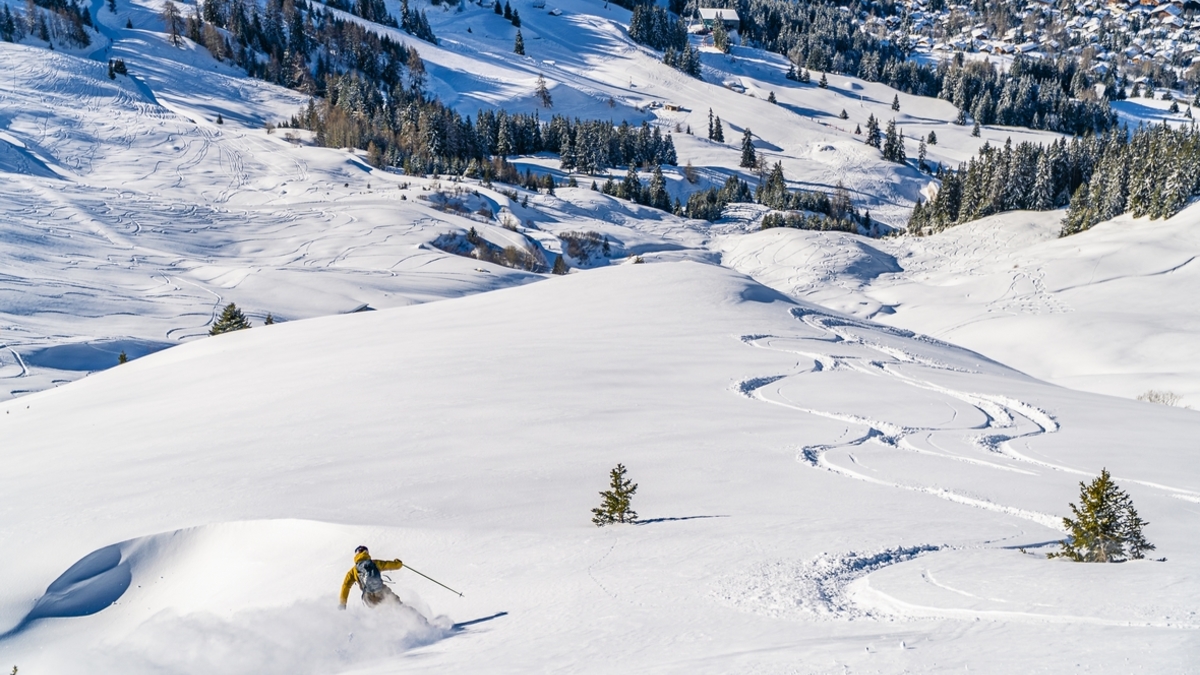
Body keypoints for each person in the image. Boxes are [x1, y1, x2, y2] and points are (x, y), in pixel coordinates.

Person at [339, 545, 405, 609]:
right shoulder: (375, 563)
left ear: (356, 555)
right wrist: (398, 562)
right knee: (398, 606)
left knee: (379, 614)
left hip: (368, 596)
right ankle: (411, 616)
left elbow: (346, 586)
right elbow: (396, 566)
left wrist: (343, 603)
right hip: (382, 590)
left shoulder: (353, 571)